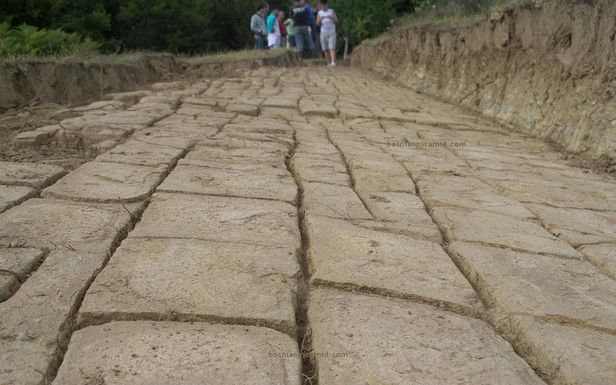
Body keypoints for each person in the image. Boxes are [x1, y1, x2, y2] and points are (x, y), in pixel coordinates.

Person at [317, 0, 338, 66]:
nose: (324, 6)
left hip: (331, 31)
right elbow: (317, 24)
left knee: (332, 47)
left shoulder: (331, 11)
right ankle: (328, 63)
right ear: (321, 6)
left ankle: (333, 62)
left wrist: (331, 18)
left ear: (327, 5)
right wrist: (321, 19)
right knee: (325, 48)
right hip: (323, 32)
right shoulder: (320, 13)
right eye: (322, 5)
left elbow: (337, 21)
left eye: (325, 5)